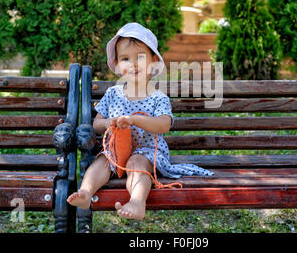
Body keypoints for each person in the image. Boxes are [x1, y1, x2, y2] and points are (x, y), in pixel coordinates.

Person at [67, 22, 213, 220]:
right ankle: (85, 192)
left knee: (137, 163)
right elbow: (96, 125)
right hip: (116, 148)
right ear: (118, 65)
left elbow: (164, 125)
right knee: (102, 161)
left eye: (140, 58)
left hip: (147, 151)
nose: (133, 64)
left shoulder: (157, 97)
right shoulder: (113, 94)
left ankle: (137, 201)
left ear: (153, 61)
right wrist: (110, 122)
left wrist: (135, 120)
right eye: (125, 59)